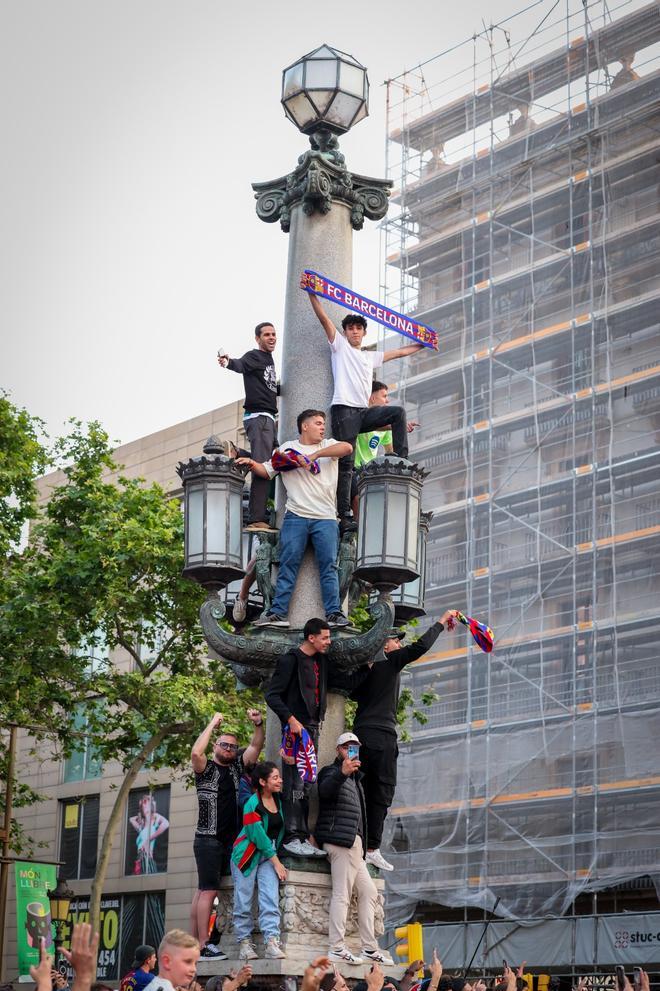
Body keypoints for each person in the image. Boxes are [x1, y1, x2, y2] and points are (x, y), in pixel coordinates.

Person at [305, 289, 427, 529]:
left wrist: (424, 344)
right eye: (350, 328)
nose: (354, 332)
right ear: (346, 332)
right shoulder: (339, 347)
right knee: (346, 463)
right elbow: (324, 320)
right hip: (344, 411)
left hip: (363, 411)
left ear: (363, 332)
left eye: (358, 329)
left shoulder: (370, 356)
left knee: (398, 413)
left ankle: (402, 461)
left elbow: (400, 352)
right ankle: (344, 515)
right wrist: (312, 294)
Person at [349, 612, 456, 872]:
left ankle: (355, 842)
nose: (399, 645)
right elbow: (420, 647)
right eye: (396, 641)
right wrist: (441, 622)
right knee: (382, 792)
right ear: (385, 645)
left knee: (355, 789)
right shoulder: (390, 662)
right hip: (382, 736)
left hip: (360, 735)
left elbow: (348, 687)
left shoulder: (364, 672)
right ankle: (371, 848)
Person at [237, 409, 352, 627]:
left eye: (323, 424)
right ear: (304, 426)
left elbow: (347, 447)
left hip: (326, 518)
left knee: (329, 566)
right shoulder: (287, 450)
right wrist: (251, 463)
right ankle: (278, 614)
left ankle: (334, 613)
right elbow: (267, 470)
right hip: (295, 517)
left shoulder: (327, 445)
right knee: (287, 564)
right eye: (318, 423)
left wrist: (315, 455)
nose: (322, 427)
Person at [314, 732, 394, 967]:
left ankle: (369, 948)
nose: (352, 751)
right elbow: (324, 791)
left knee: (369, 892)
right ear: (339, 750)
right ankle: (337, 947)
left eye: (355, 747)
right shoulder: (332, 771)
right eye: (348, 747)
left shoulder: (356, 779)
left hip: (354, 846)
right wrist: (342, 772)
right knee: (342, 894)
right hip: (341, 842)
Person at [190, 709, 265, 957]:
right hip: (207, 839)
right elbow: (195, 752)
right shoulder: (205, 768)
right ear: (215, 746)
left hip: (229, 841)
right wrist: (212, 722)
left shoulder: (235, 769)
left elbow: (255, 746)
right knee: (207, 890)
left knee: (205, 890)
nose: (229, 749)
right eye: (224, 745)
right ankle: (203, 944)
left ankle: (195, 942)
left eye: (233, 746)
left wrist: (258, 724)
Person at [264, 617, 333, 857]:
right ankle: (292, 837)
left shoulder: (321, 661)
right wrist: (291, 719)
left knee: (305, 784)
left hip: (312, 730)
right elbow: (272, 696)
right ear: (311, 637)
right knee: (293, 783)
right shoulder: (290, 660)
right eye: (324, 637)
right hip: (295, 732)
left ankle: (303, 837)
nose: (328, 641)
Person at [218, 323, 278, 533]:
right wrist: (228, 362)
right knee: (262, 468)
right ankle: (257, 517)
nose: (271, 338)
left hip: (267, 419)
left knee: (277, 459)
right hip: (260, 418)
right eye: (266, 335)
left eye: (273, 334)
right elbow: (239, 365)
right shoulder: (254, 356)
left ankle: (237, 453)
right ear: (257, 338)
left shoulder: (268, 360)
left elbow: (267, 384)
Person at [231, 760, 288, 961]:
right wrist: (277, 862)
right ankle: (244, 943)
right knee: (243, 899)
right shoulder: (252, 803)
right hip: (246, 855)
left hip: (267, 855)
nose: (280, 780)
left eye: (279, 777)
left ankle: (272, 942)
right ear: (263, 782)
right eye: (275, 777)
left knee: (270, 897)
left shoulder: (279, 800)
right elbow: (258, 836)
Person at [351, 381, 420, 515]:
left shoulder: (385, 429)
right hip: (354, 469)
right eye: (384, 396)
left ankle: (403, 464)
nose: (387, 401)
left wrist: (398, 426)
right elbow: (360, 427)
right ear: (372, 397)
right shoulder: (358, 416)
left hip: (368, 471)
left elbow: (390, 452)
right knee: (358, 498)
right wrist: (393, 424)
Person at [129, 796, 169, 875]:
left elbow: (166, 824)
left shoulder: (155, 820)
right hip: (140, 858)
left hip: (146, 856)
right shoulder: (142, 827)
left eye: (145, 803)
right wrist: (140, 816)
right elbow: (131, 819)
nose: (143, 806)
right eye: (142, 804)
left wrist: (149, 839)